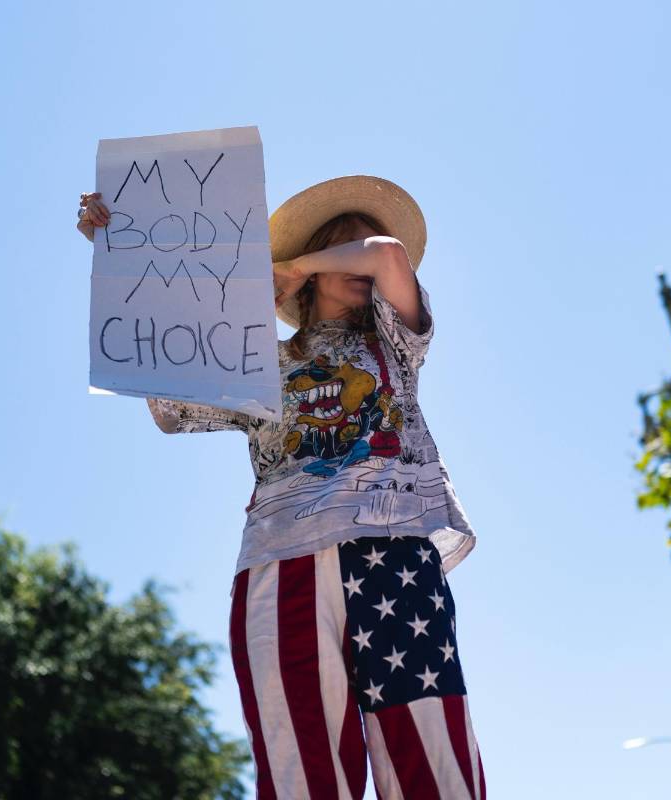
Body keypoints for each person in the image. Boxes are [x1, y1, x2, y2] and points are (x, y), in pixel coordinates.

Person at [77, 175, 486, 799]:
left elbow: (387, 254)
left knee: (433, 760)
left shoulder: (395, 344)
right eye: (343, 246)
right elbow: (166, 397)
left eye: (355, 250)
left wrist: (294, 266)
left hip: (394, 551)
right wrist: (116, 249)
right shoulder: (259, 361)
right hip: (280, 565)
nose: (361, 261)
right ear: (317, 269)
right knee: (300, 772)